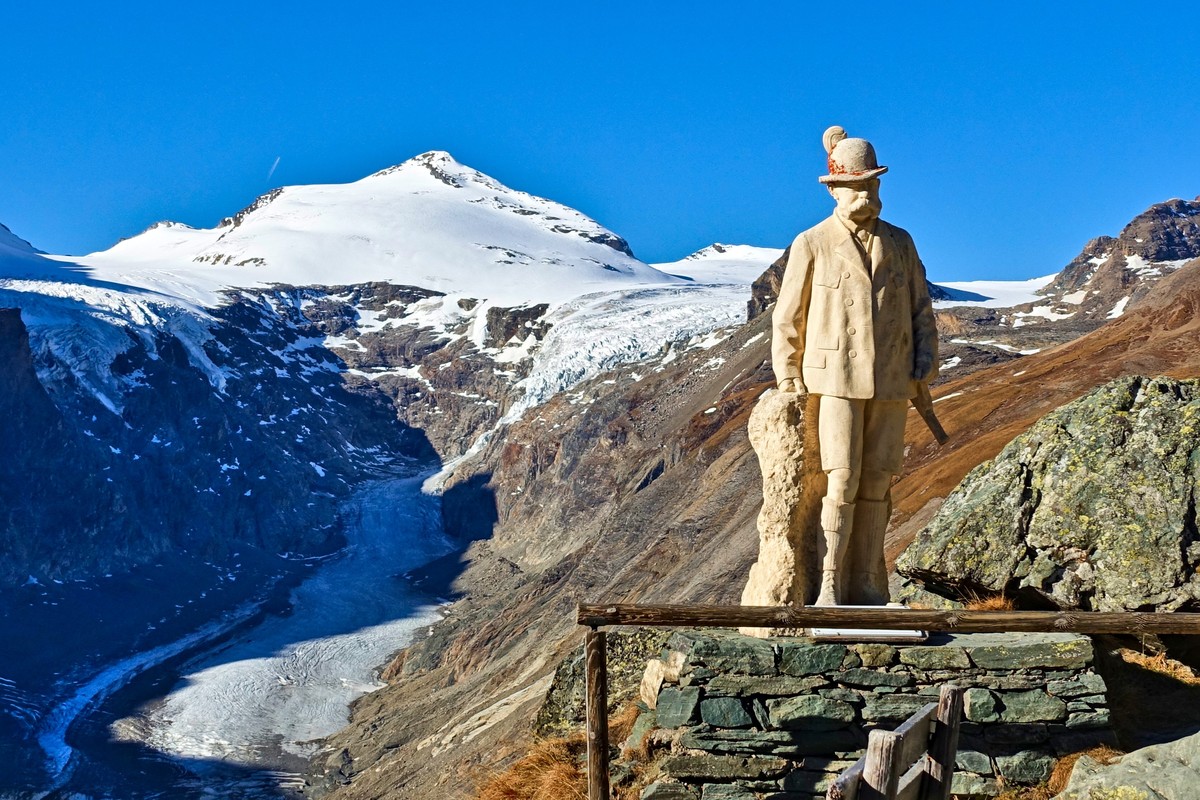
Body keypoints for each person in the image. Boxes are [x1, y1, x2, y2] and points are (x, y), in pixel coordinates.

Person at [772, 126, 938, 606]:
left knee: (879, 481)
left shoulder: (901, 243)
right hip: (836, 381)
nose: (866, 194)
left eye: (872, 184)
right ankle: (828, 581)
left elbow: (920, 308)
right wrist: (788, 375)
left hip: (890, 380)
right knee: (841, 478)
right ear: (836, 189)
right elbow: (789, 315)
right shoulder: (813, 242)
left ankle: (867, 580)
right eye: (857, 185)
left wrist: (924, 361)